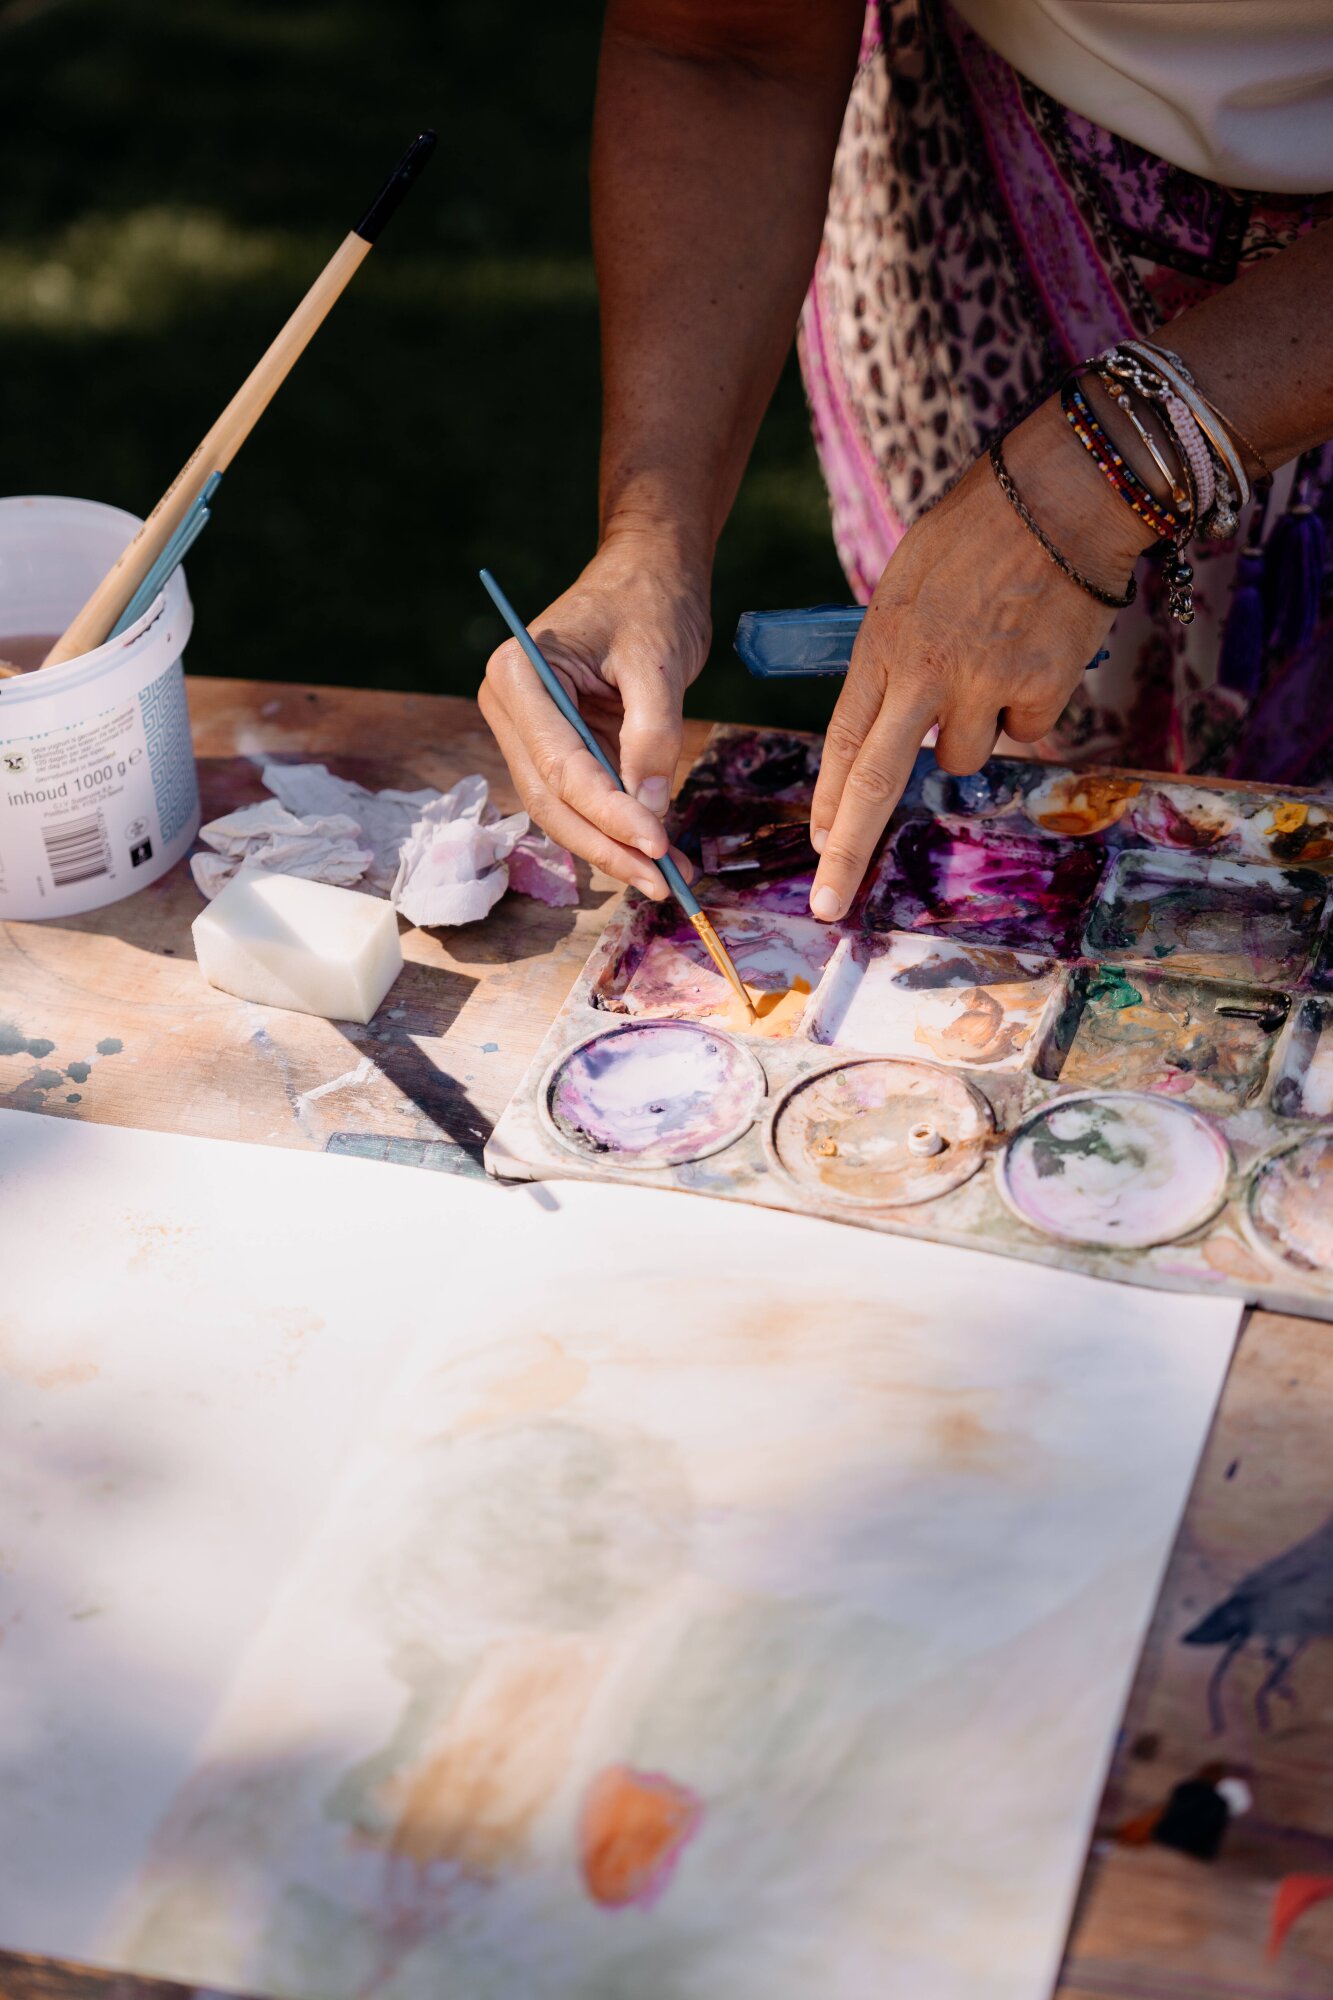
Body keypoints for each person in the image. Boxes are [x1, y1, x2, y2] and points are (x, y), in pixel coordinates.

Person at [481, 0, 1333, 924]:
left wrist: (1088, 478)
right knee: (1027, 817)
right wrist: (650, 536)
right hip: (985, 179)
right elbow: (726, 47)